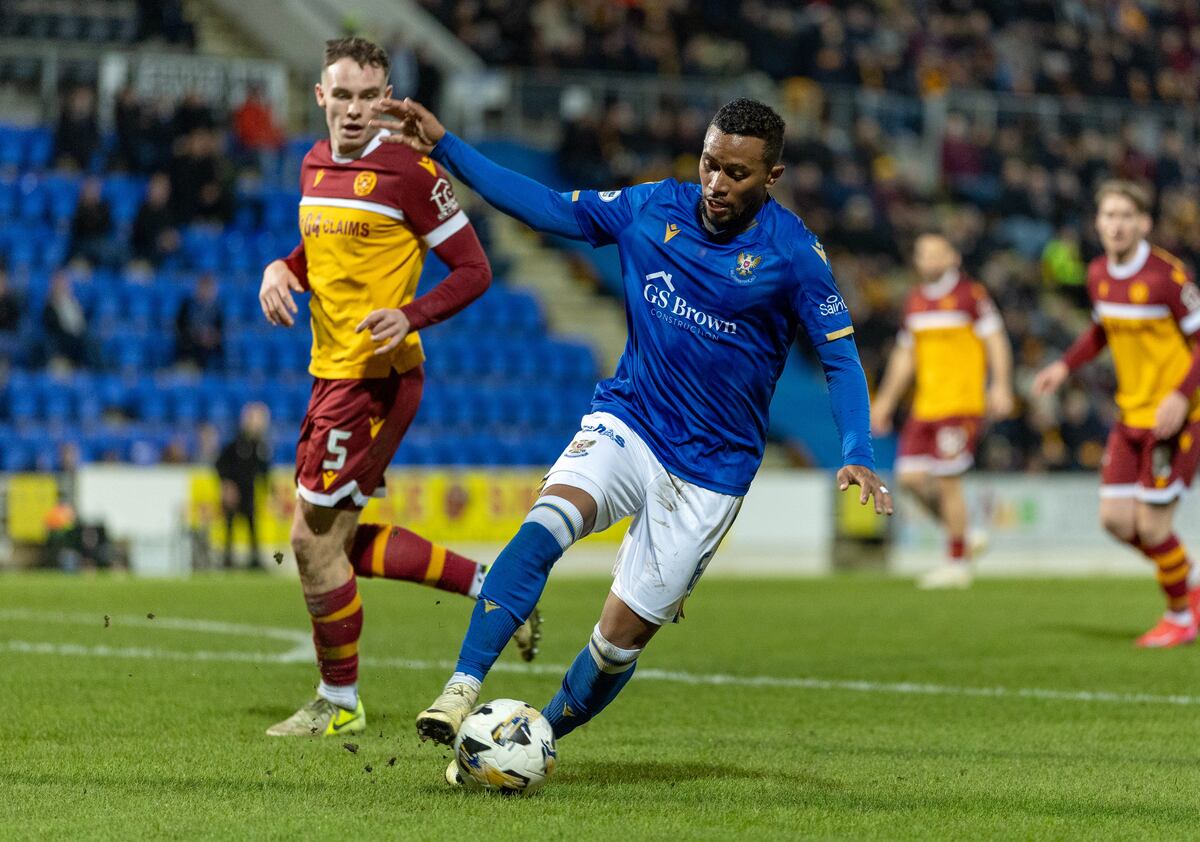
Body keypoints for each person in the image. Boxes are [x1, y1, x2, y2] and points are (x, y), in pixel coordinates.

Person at [369, 95, 892, 778]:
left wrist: (856, 451)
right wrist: (447, 148)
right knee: (546, 524)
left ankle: (534, 737)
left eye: (737, 173)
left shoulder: (793, 253)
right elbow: (549, 207)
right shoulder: (651, 207)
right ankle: (461, 688)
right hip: (630, 421)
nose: (717, 184)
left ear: (773, 177)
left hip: (709, 471)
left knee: (619, 641)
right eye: (709, 164)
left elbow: (840, 356)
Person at [256, 37, 540, 738]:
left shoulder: (411, 174)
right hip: (330, 373)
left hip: (375, 379)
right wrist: (281, 267)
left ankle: (339, 700)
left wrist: (410, 314)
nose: (353, 111)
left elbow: (473, 270)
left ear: (386, 98)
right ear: (320, 96)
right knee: (336, 544)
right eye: (341, 95)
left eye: (368, 97)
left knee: (310, 540)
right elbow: (319, 250)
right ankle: (492, 589)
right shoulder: (314, 162)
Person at [1033, 180, 1200, 648]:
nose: (1117, 224)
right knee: (1114, 521)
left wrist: (1181, 397)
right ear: (1098, 223)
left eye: (1127, 215)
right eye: (1109, 215)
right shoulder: (1098, 273)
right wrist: (1064, 365)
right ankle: (1185, 580)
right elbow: (1101, 330)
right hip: (1132, 415)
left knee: (1151, 526)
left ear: (1144, 223)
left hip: (1177, 416)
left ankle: (1181, 616)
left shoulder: (1169, 276)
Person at [871, 233, 1014, 589]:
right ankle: (964, 536)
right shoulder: (916, 301)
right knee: (909, 480)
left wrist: (1001, 385)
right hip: (925, 406)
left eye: (937, 253)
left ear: (953, 258)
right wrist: (886, 401)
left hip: (961, 404)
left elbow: (996, 339)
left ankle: (956, 564)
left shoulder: (970, 296)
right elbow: (906, 356)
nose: (929, 260)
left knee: (949, 482)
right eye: (923, 254)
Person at [216, 403, 271, 570]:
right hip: (235, 489)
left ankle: (254, 558)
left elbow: (263, 470)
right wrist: (227, 485)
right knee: (230, 525)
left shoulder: (259, 445)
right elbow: (220, 465)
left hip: (249, 491)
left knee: (251, 524)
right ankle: (227, 558)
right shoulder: (235, 443)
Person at [175, 273, 224, 370]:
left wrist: (211, 337)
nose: (205, 291)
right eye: (203, 287)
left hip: (211, 349)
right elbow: (179, 327)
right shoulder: (187, 306)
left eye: (208, 288)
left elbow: (221, 330)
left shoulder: (218, 309)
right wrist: (197, 335)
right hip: (189, 347)